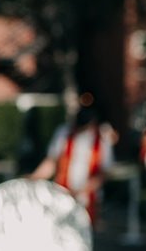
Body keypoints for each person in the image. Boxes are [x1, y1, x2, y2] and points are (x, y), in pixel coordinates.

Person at [35, 95, 115, 225]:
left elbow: (104, 172)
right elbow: (52, 161)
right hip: (62, 195)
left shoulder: (102, 138)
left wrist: (82, 190)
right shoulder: (64, 133)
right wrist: (35, 177)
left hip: (88, 200)